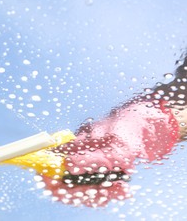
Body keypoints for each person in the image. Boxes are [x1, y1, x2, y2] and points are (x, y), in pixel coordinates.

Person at [42, 53, 187, 207]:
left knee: (131, 126)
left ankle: (99, 157)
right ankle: (97, 158)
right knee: (131, 125)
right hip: (146, 118)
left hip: (145, 120)